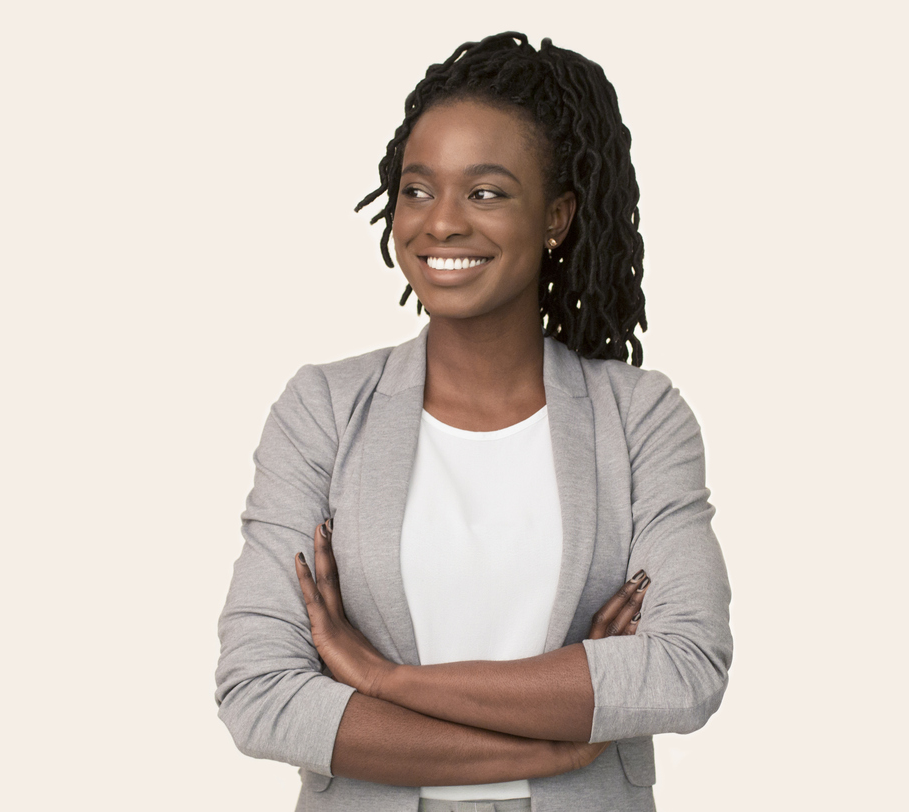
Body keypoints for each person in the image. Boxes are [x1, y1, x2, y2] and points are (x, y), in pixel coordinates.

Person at [214, 32, 733, 812]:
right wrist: (559, 743)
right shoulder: (322, 409)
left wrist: (380, 678)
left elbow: (684, 669)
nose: (442, 224)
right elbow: (260, 692)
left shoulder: (639, 417)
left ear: (556, 217)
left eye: (485, 193)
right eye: (417, 190)